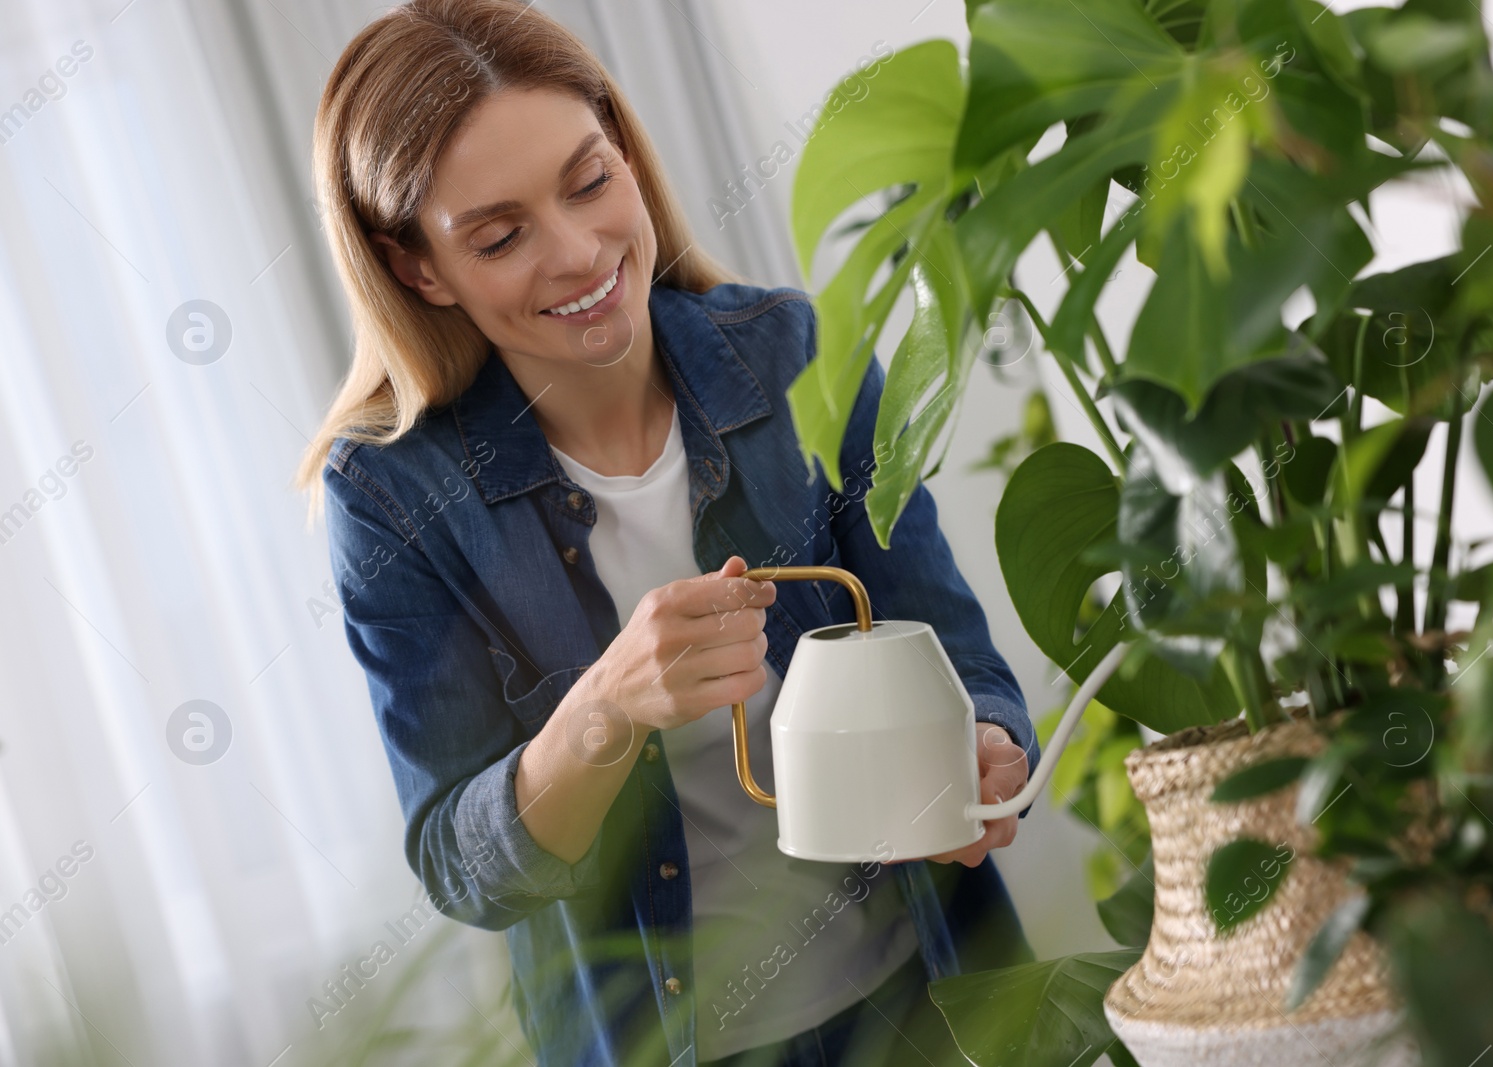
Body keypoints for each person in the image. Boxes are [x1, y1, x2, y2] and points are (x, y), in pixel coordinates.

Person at [293, 2, 1041, 1063]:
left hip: (929, 998)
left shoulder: (798, 355)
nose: (578, 252)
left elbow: (953, 650)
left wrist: (988, 748)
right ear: (418, 267)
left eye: (592, 182)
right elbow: (464, 870)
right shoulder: (388, 497)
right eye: (500, 236)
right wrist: (607, 705)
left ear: (628, 153)